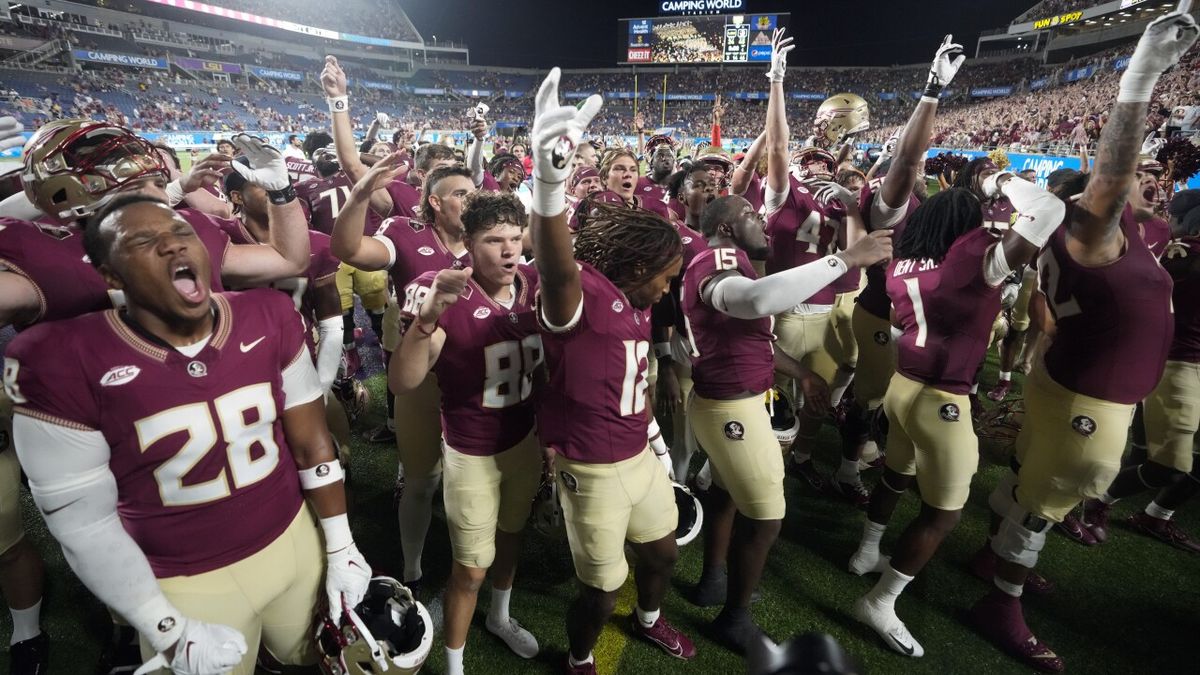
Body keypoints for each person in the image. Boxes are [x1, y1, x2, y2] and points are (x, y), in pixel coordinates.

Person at [4, 193, 370, 675]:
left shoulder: (268, 314)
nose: (173, 247)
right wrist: (162, 627)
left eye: (181, 233)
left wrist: (341, 544)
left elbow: (310, 442)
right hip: (181, 575)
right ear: (109, 275)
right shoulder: (58, 358)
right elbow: (82, 524)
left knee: (314, 658)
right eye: (143, 241)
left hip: (292, 540)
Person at [968, 9, 1195, 671]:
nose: (1152, 185)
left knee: (1028, 475)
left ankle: (991, 553)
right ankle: (1001, 601)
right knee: (1052, 497)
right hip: (1089, 393)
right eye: (1140, 181)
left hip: (1069, 376)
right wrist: (1140, 77)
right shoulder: (1092, 228)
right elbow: (1112, 174)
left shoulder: (1102, 234)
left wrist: (1004, 180)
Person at [846, 172, 1063, 659]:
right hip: (942, 398)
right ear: (967, 224)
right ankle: (881, 602)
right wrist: (1003, 180)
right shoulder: (975, 258)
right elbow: (1047, 210)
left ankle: (865, 553)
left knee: (896, 475)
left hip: (904, 384)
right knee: (944, 514)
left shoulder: (903, 263)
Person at [528, 68, 694, 674]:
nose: (670, 287)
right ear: (637, 264)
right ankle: (577, 658)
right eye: (667, 275)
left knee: (663, 554)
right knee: (599, 590)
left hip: (637, 452)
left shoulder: (636, 302)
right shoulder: (584, 295)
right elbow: (555, 268)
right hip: (591, 466)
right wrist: (549, 183)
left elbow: (630, 378)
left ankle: (649, 620)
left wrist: (653, 435)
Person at [683, 192, 891, 652]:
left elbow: (753, 331)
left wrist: (801, 373)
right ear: (728, 228)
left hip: (729, 399)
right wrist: (845, 259)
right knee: (767, 517)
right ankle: (734, 620)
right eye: (750, 216)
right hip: (729, 408)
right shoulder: (717, 257)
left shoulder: (732, 256)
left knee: (724, 495)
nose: (761, 220)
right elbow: (756, 301)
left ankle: (713, 581)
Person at [391, 192, 542, 674]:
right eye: (494, 240)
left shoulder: (534, 283)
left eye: (515, 238)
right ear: (469, 244)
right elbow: (403, 381)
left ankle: (500, 617)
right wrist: (429, 317)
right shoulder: (442, 289)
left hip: (526, 439)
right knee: (471, 568)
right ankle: (454, 666)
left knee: (513, 536)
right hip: (472, 448)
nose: (508, 250)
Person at [331, 156, 474, 591]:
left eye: (474, 192)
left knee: (471, 477)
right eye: (461, 194)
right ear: (435, 202)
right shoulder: (405, 233)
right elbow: (349, 250)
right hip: (423, 373)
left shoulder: (489, 235)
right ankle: (411, 567)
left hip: (473, 374)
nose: (472, 201)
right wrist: (359, 194)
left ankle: (469, 560)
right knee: (421, 480)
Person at [845, 34, 967, 512]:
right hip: (880, 315)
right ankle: (846, 468)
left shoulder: (923, 204)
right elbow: (911, 158)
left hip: (901, 318)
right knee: (869, 399)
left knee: (884, 399)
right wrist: (932, 89)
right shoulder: (888, 205)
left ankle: (869, 448)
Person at [761, 28, 868, 502]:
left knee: (820, 401)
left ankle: (802, 459)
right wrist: (777, 82)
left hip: (824, 315)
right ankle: (762, 464)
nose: (817, 167)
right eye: (811, 161)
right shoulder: (785, 194)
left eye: (825, 162)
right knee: (769, 397)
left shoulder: (841, 203)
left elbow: (863, 254)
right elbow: (780, 148)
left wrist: (853, 205)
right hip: (784, 313)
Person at [1073, 189, 1200, 549]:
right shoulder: (1186, 252)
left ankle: (1156, 516)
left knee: (1156, 457)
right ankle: (1099, 498)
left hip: (1184, 363)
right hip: (1180, 364)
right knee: (1169, 465)